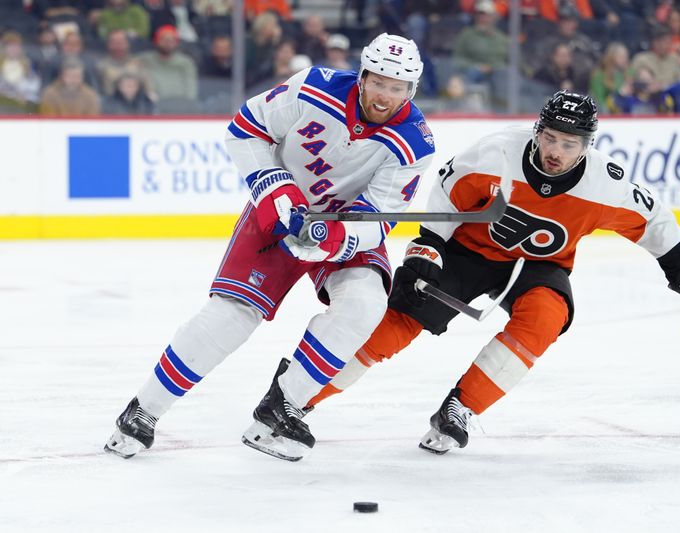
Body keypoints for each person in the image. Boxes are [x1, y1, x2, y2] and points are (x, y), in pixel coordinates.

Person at [304, 90, 680, 455]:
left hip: (539, 267)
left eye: (569, 144)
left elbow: (655, 222)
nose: (556, 151)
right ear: (537, 131)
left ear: (587, 146)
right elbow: (449, 190)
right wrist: (428, 247)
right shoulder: (496, 153)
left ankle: (460, 408)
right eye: (550, 138)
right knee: (399, 320)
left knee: (546, 317)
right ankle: (299, 395)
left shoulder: (605, 185)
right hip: (468, 252)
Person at [104, 33, 434, 461]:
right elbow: (246, 129)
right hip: (279, 210)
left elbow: (379, 216)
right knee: (232, 315)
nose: (385, 95)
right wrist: (278, 190)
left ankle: (281, 408)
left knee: (365, 304)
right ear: (363, 77)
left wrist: (335, 235)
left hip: (340, 225)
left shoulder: (415, 141)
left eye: (397, 87)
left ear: (411, 90)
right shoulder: (314, 87)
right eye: (379, 82)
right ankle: (143, 410)